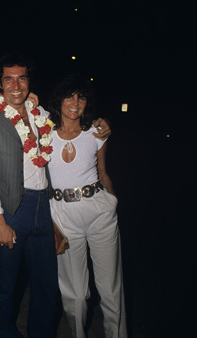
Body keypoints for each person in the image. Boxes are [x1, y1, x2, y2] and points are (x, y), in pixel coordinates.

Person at [0, 51, 111, 338]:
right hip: (12, 208)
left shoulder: (42, 116)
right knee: (5, 285)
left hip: (44, 208)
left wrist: (99, 124)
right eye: (8, 79)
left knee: (47, 288)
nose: (16, 85)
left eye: (21, 78)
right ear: (0, 85)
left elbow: (70, 125)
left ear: (28, 82)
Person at [47, 74, 127, 338]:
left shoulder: (96, 132)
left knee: (110, 290)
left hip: (99, 211)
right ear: (59, 100)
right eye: (69, 96)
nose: (75, 102)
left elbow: (103, 173)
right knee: (76, 294)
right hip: (63, 215)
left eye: (81, 97)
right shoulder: (43, 134)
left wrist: (112, 203)